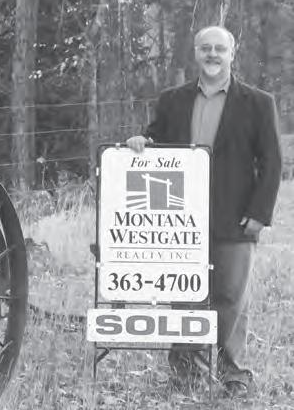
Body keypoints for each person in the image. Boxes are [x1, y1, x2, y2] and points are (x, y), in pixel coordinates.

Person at [126, 25, 282, 397]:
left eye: (219, 49)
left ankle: (232, 373)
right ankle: (187, 373)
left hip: (235, 215)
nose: (212, 54)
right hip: (180, 217)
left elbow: (272, 161)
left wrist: (259, 213)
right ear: (196, 52)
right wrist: (141, 142)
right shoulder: (172, 99)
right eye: (205, 48)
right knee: (185, 293)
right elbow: (156, 141)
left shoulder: (259, 102)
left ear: (232, 54)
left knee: (231, 296)